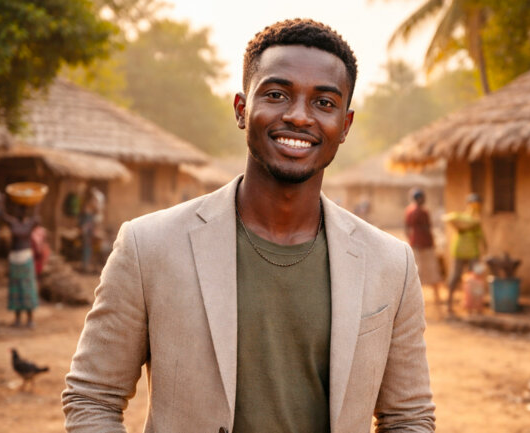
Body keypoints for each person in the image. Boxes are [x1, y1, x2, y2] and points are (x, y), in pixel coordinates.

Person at [63, 19, 435, 433]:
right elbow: (92, 397)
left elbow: (409, 417)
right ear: (242, 109)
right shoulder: (148, 246)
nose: (299, 116)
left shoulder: (390, 264)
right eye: (277, 95)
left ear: (344, 126)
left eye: (323, 103)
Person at [443, 193, 487, 315]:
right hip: (463, 252)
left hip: (471, 252)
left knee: (472, 280)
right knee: (456, 277)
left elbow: (481, 238)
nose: (476, 207)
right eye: (474, 204)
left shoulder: (473, 221)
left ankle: (470, 306)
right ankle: (449, 304)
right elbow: (449, 218)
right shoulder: (464, 219)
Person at [1, 201, 40, 328]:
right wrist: (2, 201)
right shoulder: (13, 223)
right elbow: (2, 215)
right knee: (16, 289)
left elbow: (37, 217)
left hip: (26, 258)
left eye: (23, 210)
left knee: (27, 289)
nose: (21, 213)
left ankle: (30, 319)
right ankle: (17, 319)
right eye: (19, 210)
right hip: (15, 259)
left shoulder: (31, 223)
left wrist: (37, 203)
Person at [405, 188, 445, 305]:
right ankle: (423, 299)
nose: (421, 200)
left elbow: (409, 229)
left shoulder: (415, 211)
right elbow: (410, 228)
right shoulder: (418, 212)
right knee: (423, 272)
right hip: (421, 245)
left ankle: (434, 297)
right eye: (420, 198)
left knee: (428, 271)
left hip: (423, 245)